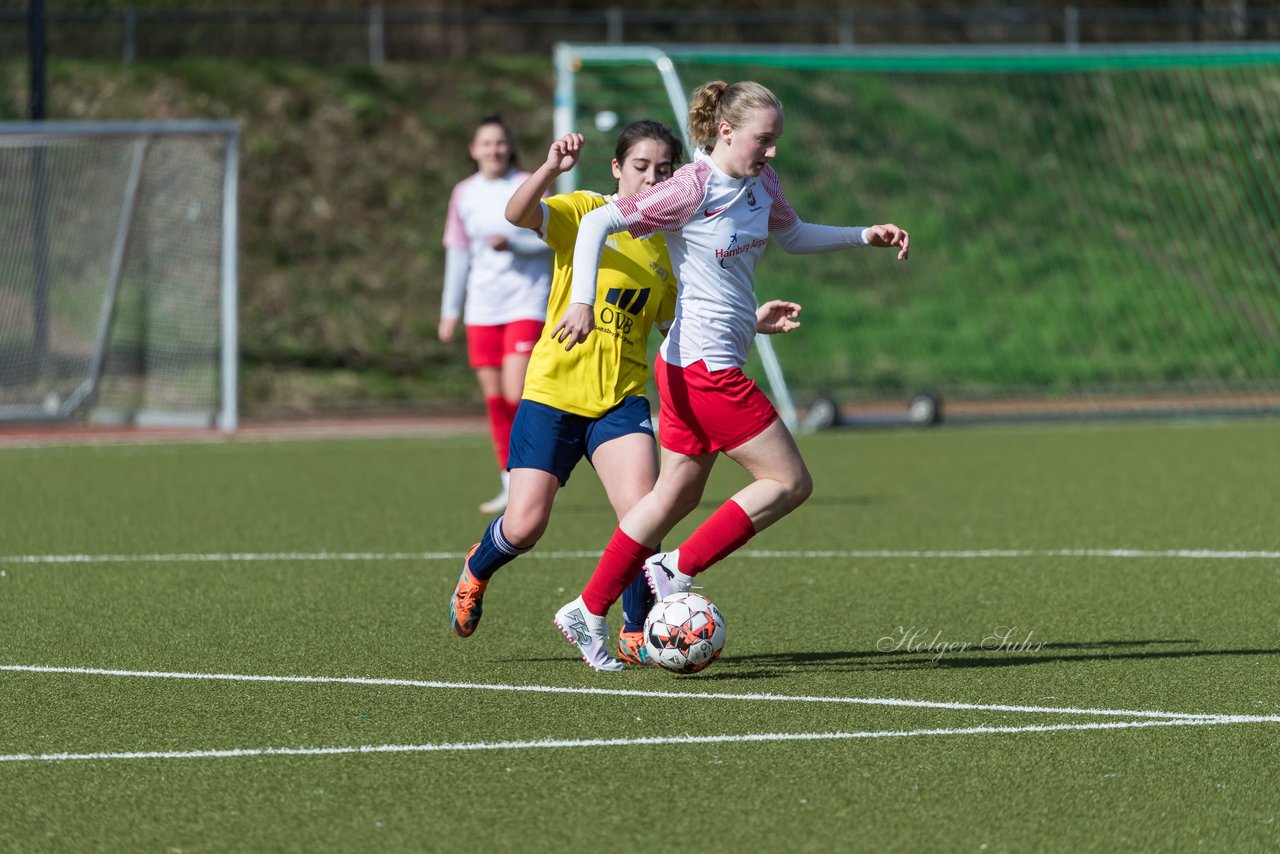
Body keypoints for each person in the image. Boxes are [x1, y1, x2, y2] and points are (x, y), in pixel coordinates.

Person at [548, 80, 911, 670]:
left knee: (675, 494)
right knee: (789, 482)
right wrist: (582, 301)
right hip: (704, 371)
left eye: (776, 140)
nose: (771, 152)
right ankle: (676, 567)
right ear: (725, 131)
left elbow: (791, 235)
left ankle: (586, 610)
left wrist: (862, 235)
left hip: (692, 366)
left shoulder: (761, 181)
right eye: (762, 140)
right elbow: (594, 226)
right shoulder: (689, 188)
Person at [447, 120, 804, 669]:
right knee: (524, 525)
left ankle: (636, 631)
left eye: (665, 170)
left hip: (620, 401)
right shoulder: (584, 211)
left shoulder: (668, 241)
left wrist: (751, 322)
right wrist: (548, 170)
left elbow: (678, 324)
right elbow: (516, 215)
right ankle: (477, 569)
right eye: (641, 168)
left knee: (644, 515)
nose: (653, 179)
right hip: (554, 394)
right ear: (617, 168)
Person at [440, 114, 553, 514]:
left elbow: (554, 240)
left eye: (500, 142)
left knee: (515, 392)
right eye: (485, 143)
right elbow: (457, 253)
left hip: (526, 301)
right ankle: (510, 481)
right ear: (473, 150)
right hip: (482, 308)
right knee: (495, 401)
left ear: (510, 147)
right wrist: (449, 311)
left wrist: (516, 246)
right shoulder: (464, 193)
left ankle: (537, 473)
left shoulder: (529, 183)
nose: (493, 150)